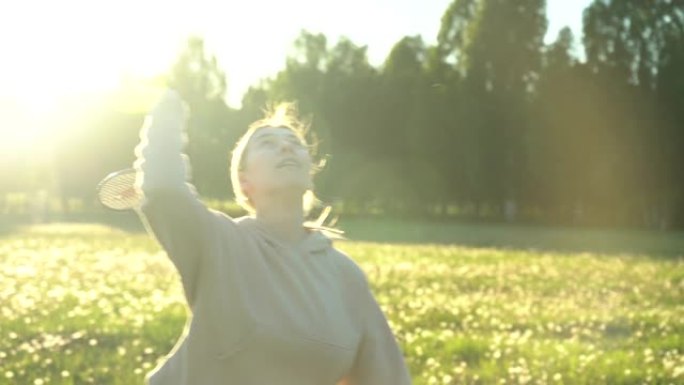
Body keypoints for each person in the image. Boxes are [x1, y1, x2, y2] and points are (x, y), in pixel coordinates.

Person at [133, 89, 413, 385]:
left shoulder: (346, 277)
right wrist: (169, 108)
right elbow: (163, 187)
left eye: (295, 143)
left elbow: (386, 377)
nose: (286, 148)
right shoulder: (219, 240)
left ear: (310, 174)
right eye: (268, 143)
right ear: (244, 181)